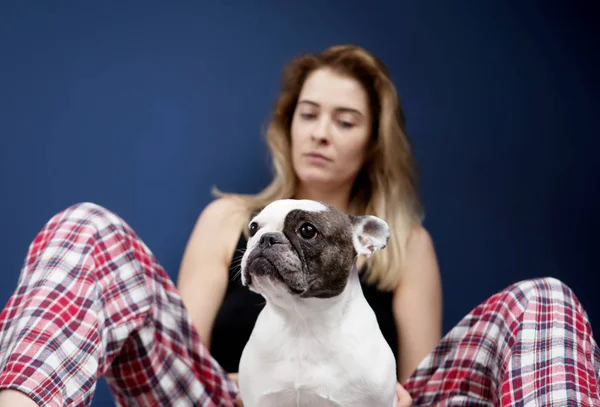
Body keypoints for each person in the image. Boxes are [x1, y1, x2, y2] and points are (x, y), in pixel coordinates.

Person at [0, 44, 597, 407]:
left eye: (345, 120)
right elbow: (183, 342)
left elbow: (416, 386)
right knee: (88, 226)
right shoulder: (230, 218)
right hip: (227, 398)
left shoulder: (406, 243)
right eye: (308, 114)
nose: (320, 132)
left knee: (542, 300)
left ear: (372, 141)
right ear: (287, 125)